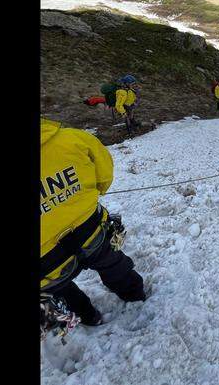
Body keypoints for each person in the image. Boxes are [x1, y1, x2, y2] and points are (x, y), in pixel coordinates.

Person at [41, 118, 147, 329]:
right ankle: (134, 293)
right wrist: (95, 191)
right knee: (112, 264)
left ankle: (87, 316)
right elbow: (104, 170)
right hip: (92, 232)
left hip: (46, 262)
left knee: (60, 289)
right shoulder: (72, 139)